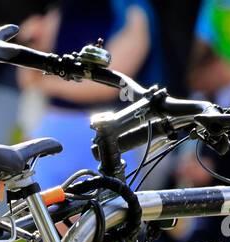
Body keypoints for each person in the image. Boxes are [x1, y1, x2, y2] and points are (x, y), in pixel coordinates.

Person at [15, 0, 162, 188]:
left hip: (108, 134)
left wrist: (45, 82)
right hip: (53, 134)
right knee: (45, 214)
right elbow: (27, 79)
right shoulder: (60, 11)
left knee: (109, 212)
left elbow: (108, 85)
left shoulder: (133, 12)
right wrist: (30, 43)